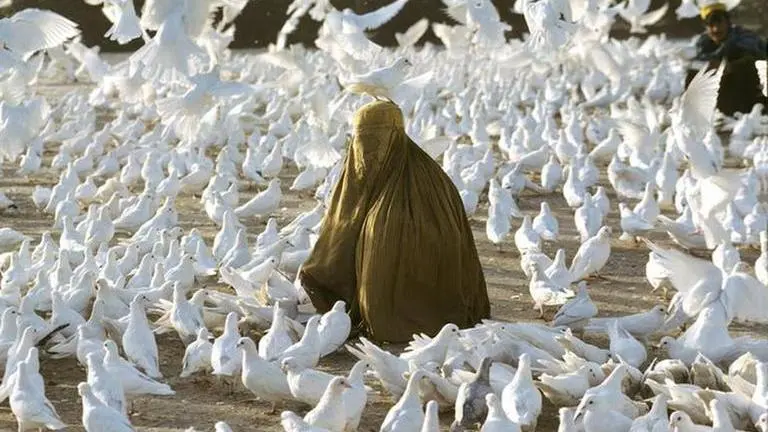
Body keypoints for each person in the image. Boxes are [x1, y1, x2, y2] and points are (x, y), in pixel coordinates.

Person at [299, 100, 491, 343]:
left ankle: (395, 314)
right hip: (440, 306)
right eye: (362, 142)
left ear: (396, 137)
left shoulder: (427, 183)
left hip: (432, 298)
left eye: (377, 142)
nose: (368, 153)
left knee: (381, 232)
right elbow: (338, 236)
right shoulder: (359, 182)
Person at [687, 3, 767, 115]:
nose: (716, 29)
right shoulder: (704, 45)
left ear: (728, 22)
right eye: (711, 25)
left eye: (719, 23)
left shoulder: (745, 39)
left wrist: (730, 67)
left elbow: (756, 61)